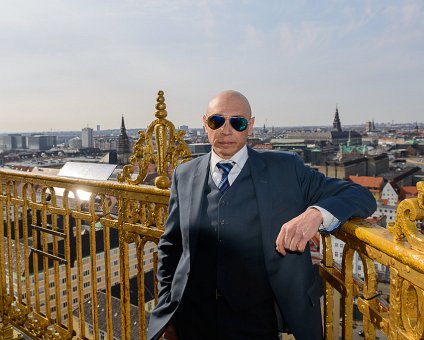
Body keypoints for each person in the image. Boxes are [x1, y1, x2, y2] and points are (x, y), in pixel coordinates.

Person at [147, 90, 376, 340]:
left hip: (256, 321)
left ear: (251, 126)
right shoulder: (185, 174)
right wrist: (168, 309)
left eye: (237, 122)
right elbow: (171, 247)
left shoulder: (286, 169)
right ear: (205, 124)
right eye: (216, 121)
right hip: (192, 319)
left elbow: (360, 196)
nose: (226, 130)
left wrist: (315, 214)